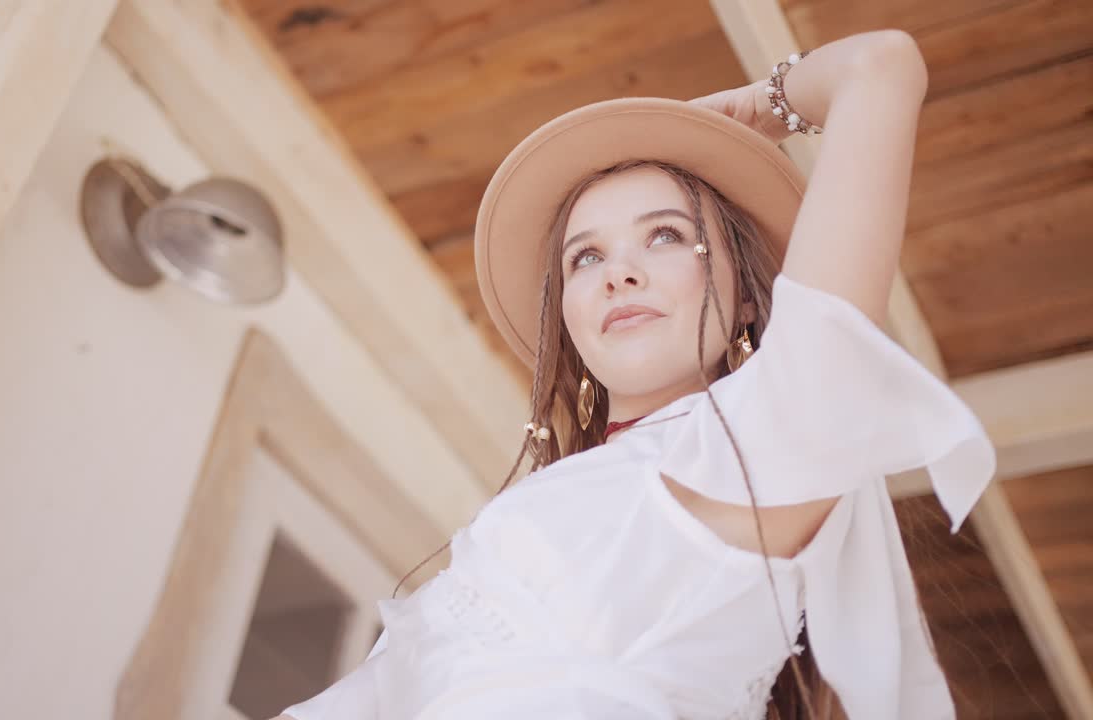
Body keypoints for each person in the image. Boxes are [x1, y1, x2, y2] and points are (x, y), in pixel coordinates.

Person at [275, 29, 995, 720]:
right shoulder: (530, 520)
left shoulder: (756, 452)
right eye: (585, 257)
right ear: (569, 317)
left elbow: (881, 64)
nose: (619, 271)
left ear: (747, 295)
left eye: (666, 235)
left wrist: (760, 106)